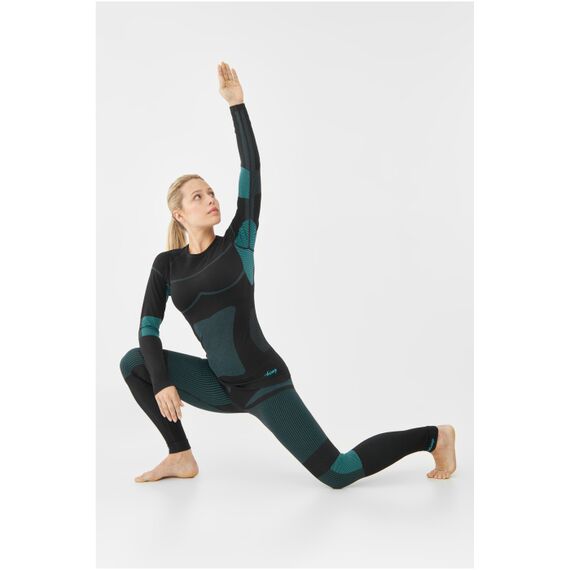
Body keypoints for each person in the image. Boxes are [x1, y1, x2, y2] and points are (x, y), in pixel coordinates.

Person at [119, 61, 457, 488]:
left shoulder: (239, 242)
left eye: (212, 192)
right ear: (179, 214)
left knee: (338, 472)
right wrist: (163, 382)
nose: (211, 199)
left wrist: (237, 106)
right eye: (198, 196)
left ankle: (434, 436)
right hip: (219, 384)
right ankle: (180, 455)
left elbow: (251, 172)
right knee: (135, 363)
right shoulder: (167, 265)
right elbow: (148, 329)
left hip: (264, 384)